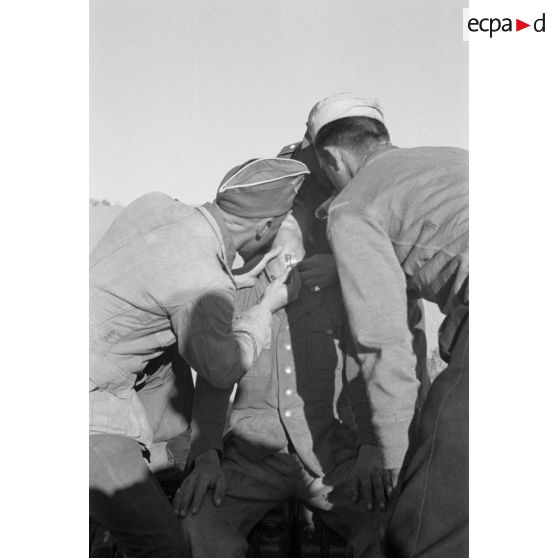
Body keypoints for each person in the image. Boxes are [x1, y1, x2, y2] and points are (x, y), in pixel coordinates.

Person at [89, 157, 309, 558]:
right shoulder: (204, 282)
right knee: (162, 546)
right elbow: (222, 367)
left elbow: (168, 272)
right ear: (264, 228)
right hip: (90, 408)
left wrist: (235, 277)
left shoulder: (154, 205)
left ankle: (174, 453)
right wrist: (264, 307)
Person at [306, 92, 468, 558]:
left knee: (425, 526)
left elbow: (383, 342)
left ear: (333, 156)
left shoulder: (352, 206)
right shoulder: (448, 159)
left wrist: (395, 457)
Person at [176, 255, 385, 558]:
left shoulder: (342, 289)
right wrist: (206, 456)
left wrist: (369, 445)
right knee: (195, 518)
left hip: (330, 456)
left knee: (390, 517)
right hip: (250, 457)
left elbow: (362, 372)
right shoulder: (235, 290)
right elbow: (215, 380)